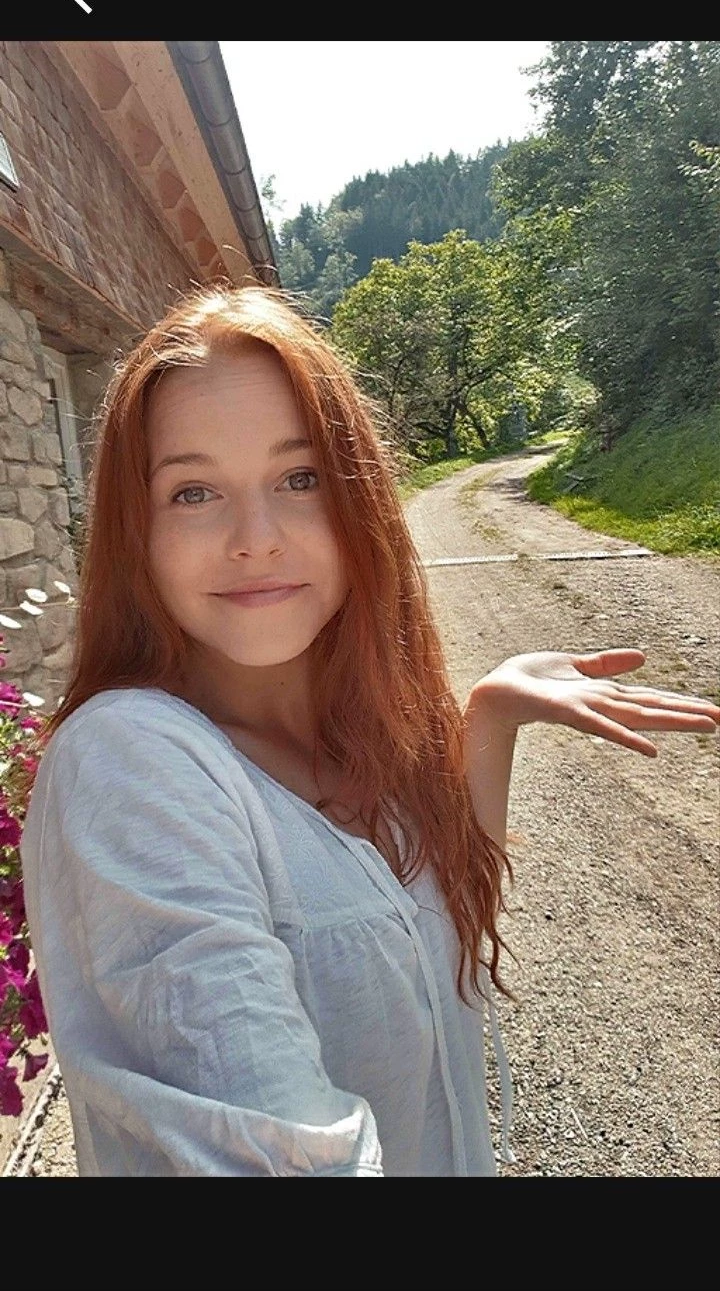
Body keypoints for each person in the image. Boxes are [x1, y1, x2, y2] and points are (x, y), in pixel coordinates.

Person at [19, 283, 719, 1178]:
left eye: (300, 478)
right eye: (193, 491)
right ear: (135, 534)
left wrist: (489, 717)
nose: (256, 537)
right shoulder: (132, 762)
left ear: (359, 500)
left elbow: (432, 937)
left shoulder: (360, 737)